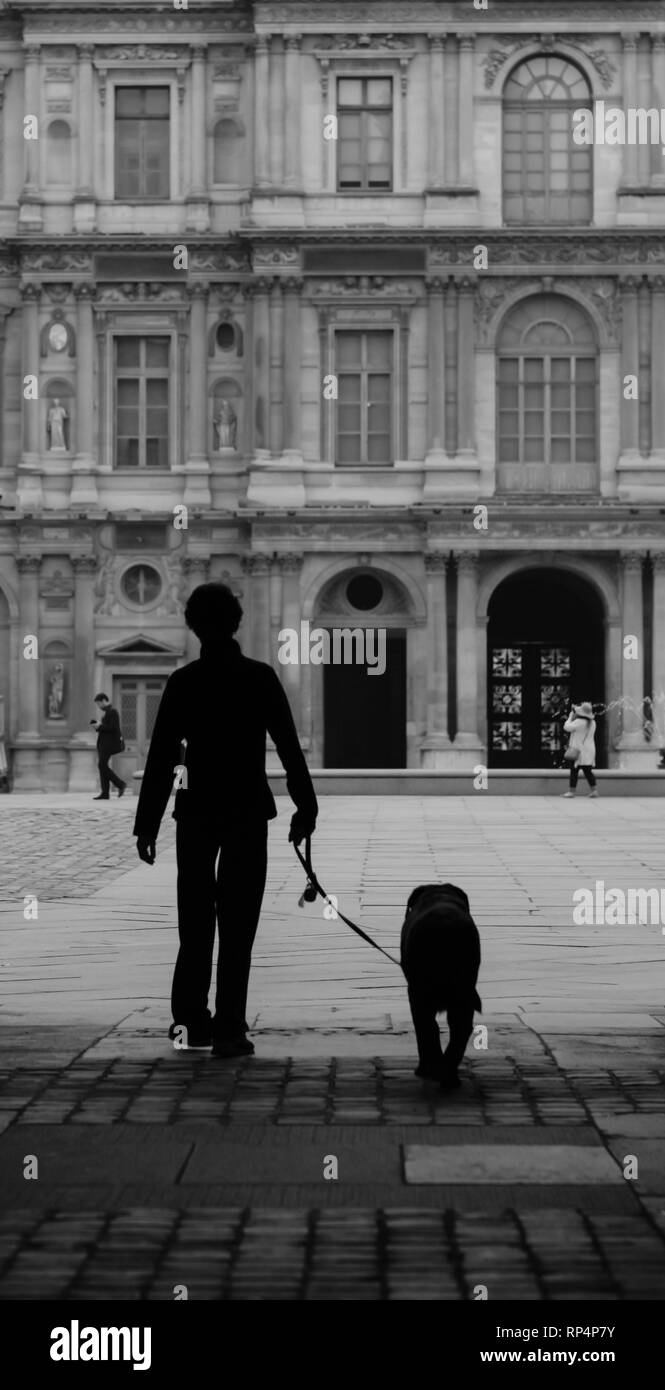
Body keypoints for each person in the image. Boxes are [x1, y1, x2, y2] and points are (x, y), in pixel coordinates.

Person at [132, 581, 318, 1058]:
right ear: (236, 623)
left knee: (195, 921)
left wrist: (147, 822)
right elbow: (289, 746)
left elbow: (161, 759)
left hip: (196, 812)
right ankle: (231, 1027)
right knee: (239, 923)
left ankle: (191, 1021)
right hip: (246, 811)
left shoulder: (184, 682)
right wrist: (306, 805)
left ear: (193, 626)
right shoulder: (259, 678)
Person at [91, 693, 126, 800]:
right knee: (102, 766)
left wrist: (100, 726)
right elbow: (107, 728)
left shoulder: (112, 712)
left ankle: (120, 784)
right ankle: (105, 793)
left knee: (102, 765)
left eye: (98, 704)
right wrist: (98, 726)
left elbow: (113, 728)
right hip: (104, 745)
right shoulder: (107, 713)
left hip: (109, 745)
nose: (98, 706)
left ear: (103, 701)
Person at [562, 701, 598, 797]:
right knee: (587, 771)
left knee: (574, 770)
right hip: (589, 750)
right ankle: (594, 790)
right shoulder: (593, 723)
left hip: (578, 750)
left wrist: (570, 717)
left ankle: (571, 791)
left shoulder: (579, 722)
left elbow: (567, 727)